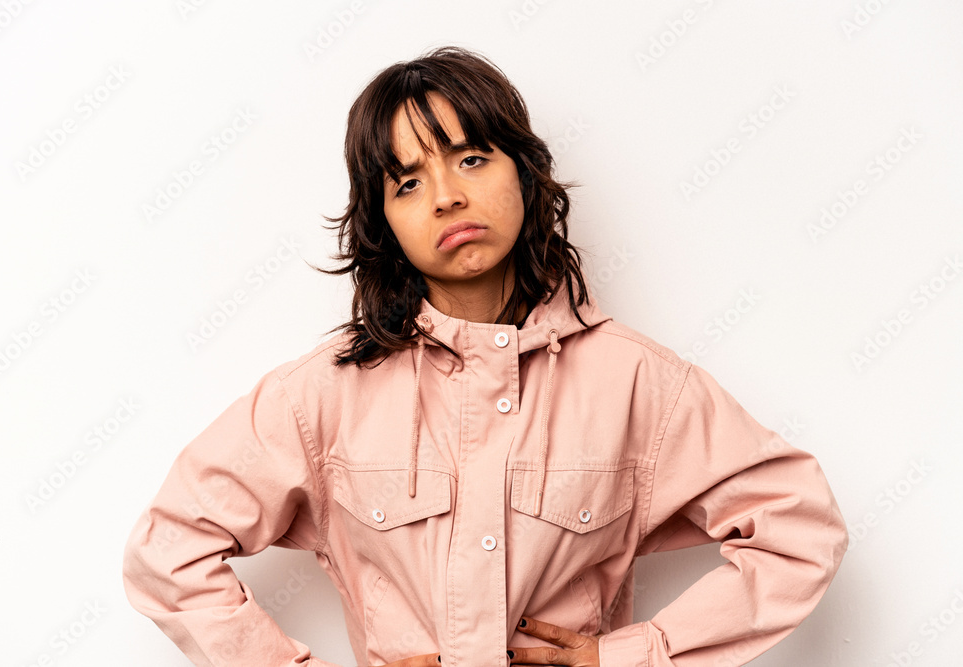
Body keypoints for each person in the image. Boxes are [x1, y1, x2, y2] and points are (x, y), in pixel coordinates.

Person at [122, 46, 848, 666]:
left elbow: (799, 529)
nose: (445, 196)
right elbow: (169, 550)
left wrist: (633, 653)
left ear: (525, 176)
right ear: (385, 222)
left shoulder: (637, 384)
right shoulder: (323, 397)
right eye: (408, 181)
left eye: (471, 157)